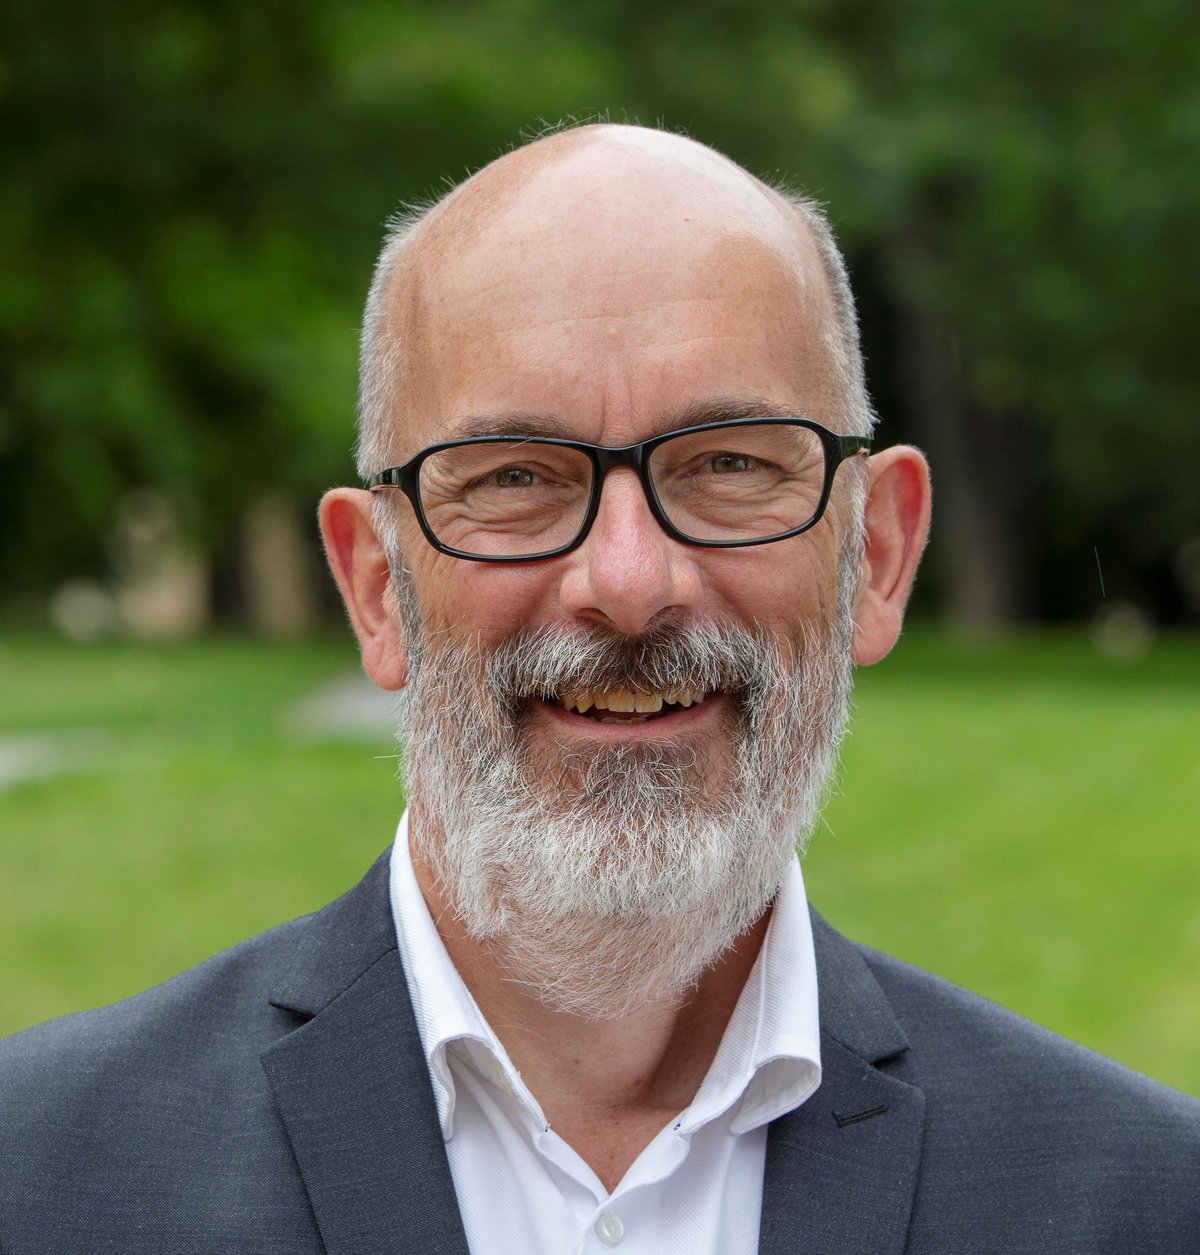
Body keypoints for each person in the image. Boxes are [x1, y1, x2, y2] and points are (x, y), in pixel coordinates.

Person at [1, 124, 1196, 1254]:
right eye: (513, 477)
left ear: (876, 552)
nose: (628, 582)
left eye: (730, 462)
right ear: (375, 588)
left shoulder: (1142, 1202)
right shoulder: (41, 1176)